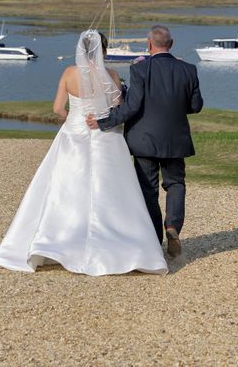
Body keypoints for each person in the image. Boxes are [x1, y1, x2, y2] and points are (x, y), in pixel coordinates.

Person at [0, 30, 168, 276]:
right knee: (113, 191)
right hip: (106, 137)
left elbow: (56, 108)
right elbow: (117, 111)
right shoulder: (113, 75)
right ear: (103, 51)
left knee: (65, 189)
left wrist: (73, 119)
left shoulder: (69, 74)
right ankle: (125, 247)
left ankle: (56, 242)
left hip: (73, 134)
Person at [87, 24, 203, 258]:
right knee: (175, 184)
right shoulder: (188, 69)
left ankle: (153, 240)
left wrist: (103, 122)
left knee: (148, 189)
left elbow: (131, 107)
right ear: (171, 44)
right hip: (175, 140)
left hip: (144, 139)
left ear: (149, 45)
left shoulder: (140, 69)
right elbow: (196, 106)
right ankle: (172, 226)